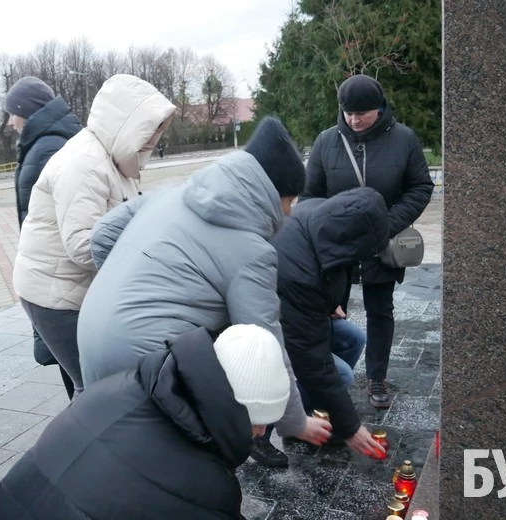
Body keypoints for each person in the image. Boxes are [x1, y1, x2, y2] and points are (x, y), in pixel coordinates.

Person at [77, 116, 330, 449]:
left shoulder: (175, 193)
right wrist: (295, 421)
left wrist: (130, 282)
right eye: (290, 201)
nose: (289, 214)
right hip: (148, 359)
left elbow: (102, 235)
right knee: (175, 457)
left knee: (117, 444)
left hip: (91, 334)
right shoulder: (251, 250)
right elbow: (264, 343)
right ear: (271, 192)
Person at [0, 324, 325, 520]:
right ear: (239, 411)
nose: (263, 434)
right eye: (262, 422)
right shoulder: (206, 486)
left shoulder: (122, 386)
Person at [12, 73, 176, 397]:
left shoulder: (115, 163)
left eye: (158, 130)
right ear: (126, 124)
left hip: (71, 287)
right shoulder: (84, 164)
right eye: (148, 129)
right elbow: (83, 245)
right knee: (94, 388)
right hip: (54, 295)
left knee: (98, 386)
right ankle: (75, 446)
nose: (154, 140)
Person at [301, 74, 434, 408]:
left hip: (382, 243)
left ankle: (376, 377)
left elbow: (420, 187)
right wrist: (326, 231)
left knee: (380, 310)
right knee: (326, 311)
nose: (354, 119)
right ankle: (324, 376)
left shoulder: (403, 139)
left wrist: (386, 224)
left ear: (380, 108)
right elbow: (310, 195)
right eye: (348, 112)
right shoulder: (326, 141)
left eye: (362, 112)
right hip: (336, 247)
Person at [252, 188, 391, 467]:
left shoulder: (324, 214)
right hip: (263, 328)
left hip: (294, 311)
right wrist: (350, 427)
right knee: (341, 375)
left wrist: (332, 304)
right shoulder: (299, 275)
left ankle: (313, 414)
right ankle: (262, 434)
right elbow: (313, 359)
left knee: (353, 338)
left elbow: (338, 264)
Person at [4, 75, 82, 399]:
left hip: (59, 278)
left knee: (79, 381)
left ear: (28, 111)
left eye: (13, 113)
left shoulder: (47, 147)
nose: (10, 122)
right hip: (61, 276)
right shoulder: (48, 142)